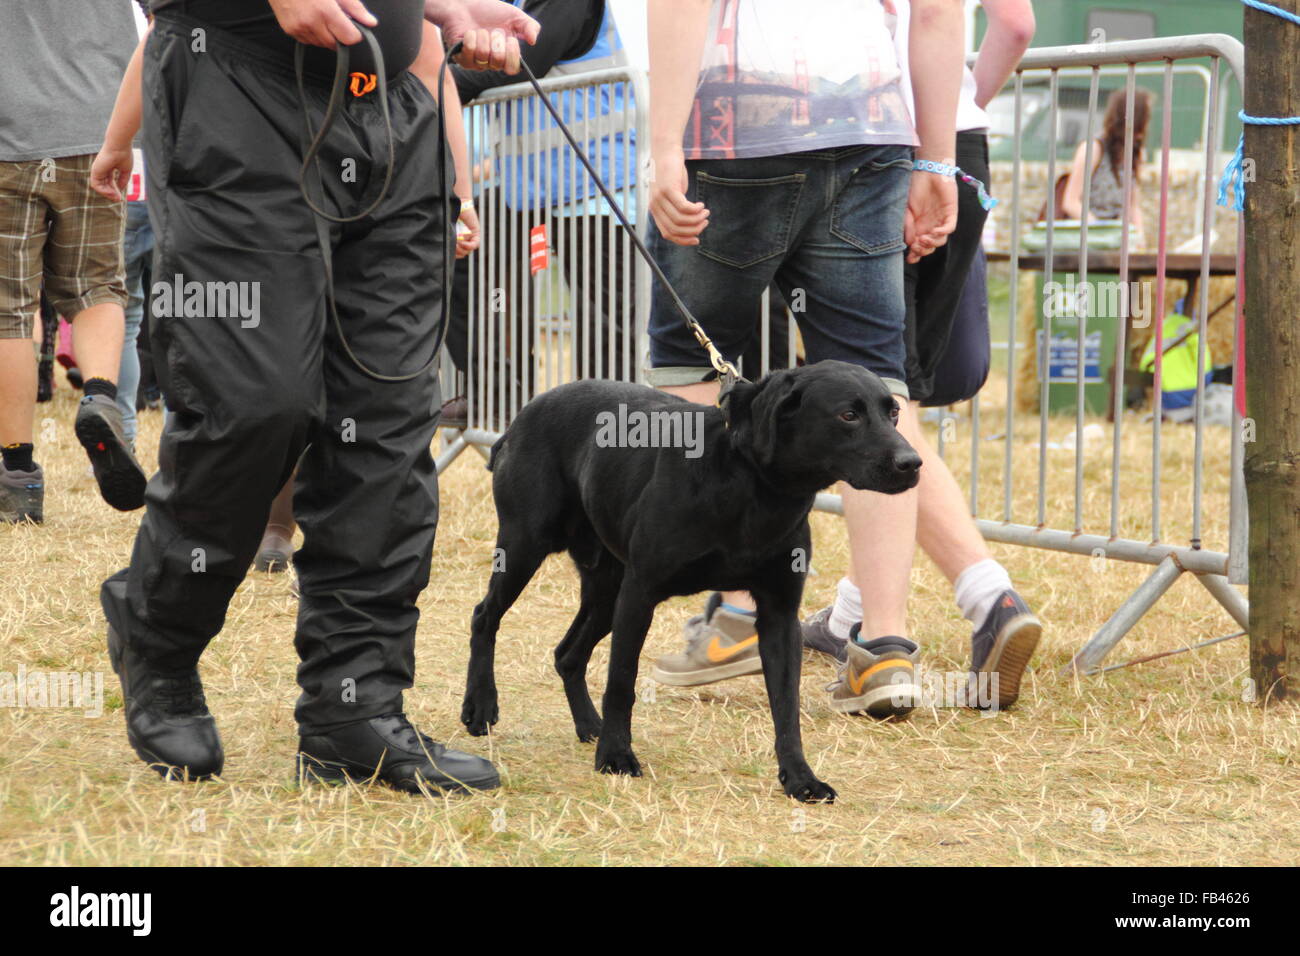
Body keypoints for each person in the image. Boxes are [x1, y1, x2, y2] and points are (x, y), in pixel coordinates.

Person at [92, 0, 539, 793]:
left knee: (391, 421)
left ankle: (353, 709)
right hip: (236, 82)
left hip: (396, 102)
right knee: (257, 403)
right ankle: (157, 632)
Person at [646, 0, 961, 718]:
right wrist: (936, 158)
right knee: (876, 381)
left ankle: (731, 616)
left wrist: (665, 143)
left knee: (688, 367)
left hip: (736, 124)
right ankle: (885, 647)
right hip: (870, 126)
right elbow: (939, 9)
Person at [797, 0, 1041, 713]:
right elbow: (1017, 24)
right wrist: (960, 105)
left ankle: (987, 598)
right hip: (959, 143)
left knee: (873, 400)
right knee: (887, 394)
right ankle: (850, 614)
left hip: (878, 141)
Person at [0, 1, 148, 525]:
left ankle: (18, 475)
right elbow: (166, 21)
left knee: (9, 308)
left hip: (7, 133)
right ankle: (101, 399)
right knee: (98, 289)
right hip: (99, 125)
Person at [1059, 86, 1151, 243]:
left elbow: (1132, 206)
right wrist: (1099, 230)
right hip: (1082, 238)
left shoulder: (1137, 154)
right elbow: (1070, 202)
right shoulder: (1093, 148)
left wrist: (1139, 238)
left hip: (1113, 240)